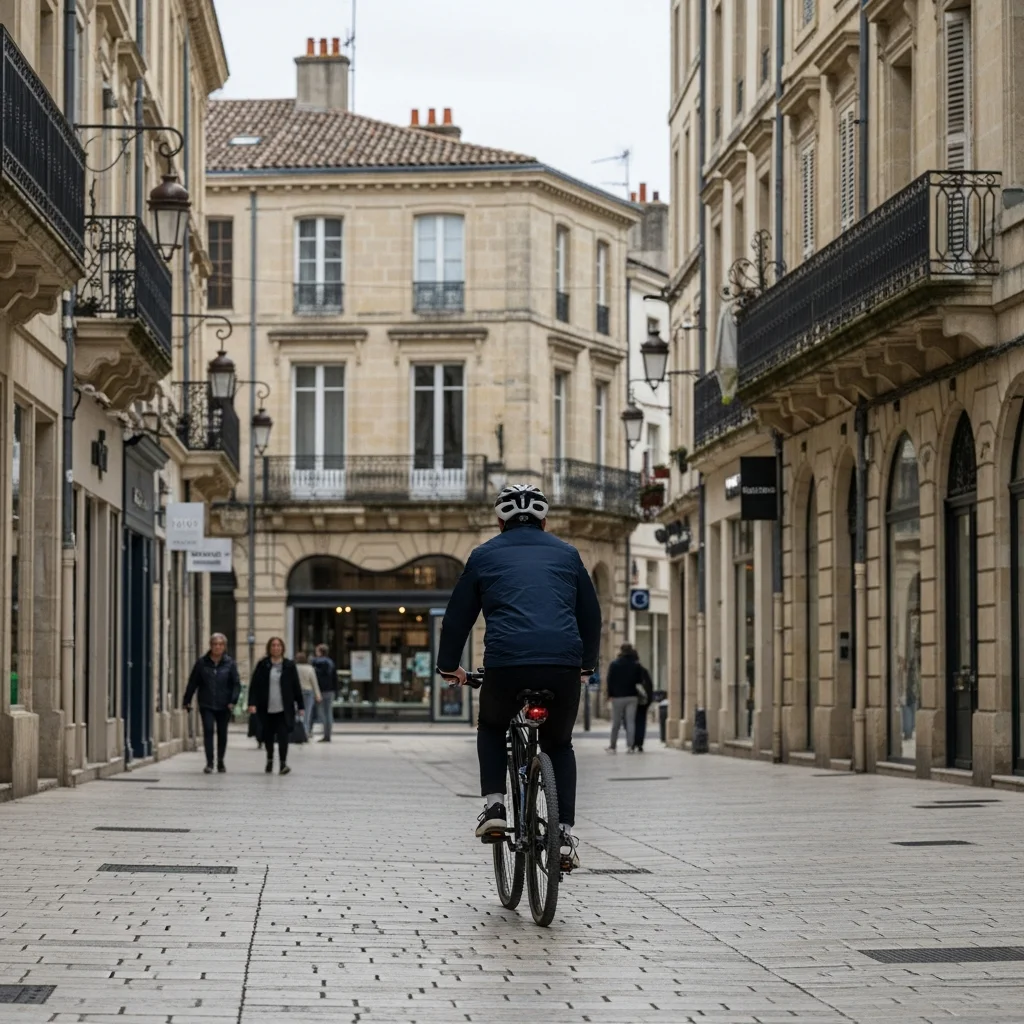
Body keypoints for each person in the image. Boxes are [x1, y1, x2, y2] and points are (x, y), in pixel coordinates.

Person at [436, 483, 601, 872]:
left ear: (500, 521)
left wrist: (450, 667)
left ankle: (495, 806)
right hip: (562, 664)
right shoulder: (568, 554)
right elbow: (591, 616)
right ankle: (562, 834)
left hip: (506, 664)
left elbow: (458, 617)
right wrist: (586, 665)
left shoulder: (483, 555)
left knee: (492, 726)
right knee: (559, 744)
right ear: (545, 521)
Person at [182, 633, 241, 774]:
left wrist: (233, 701)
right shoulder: (202, 663)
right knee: (208, 731)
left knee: (222, 733)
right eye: (215, 644)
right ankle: (209, 762)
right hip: (206, 703)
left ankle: (220, 761)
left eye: (220, 644)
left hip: (224, 704)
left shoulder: (230, 663)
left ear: (224, 647)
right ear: (211, 645)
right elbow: (193, 682)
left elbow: (236, 684)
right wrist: (187, 700)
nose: (217, 647)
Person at [247, 637, 304, 775]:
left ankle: (283, 763)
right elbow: (254, 685)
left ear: (282, 648)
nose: (276, 648)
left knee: (283, 736)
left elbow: (296, 686)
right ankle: (270, 759)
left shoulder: (289, 666)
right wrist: (252, 703)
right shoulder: (263, 665)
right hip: (266, 707)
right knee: (268, 735)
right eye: (273, 645)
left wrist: (301, 705)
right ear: (269, 648)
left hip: (284, 708)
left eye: (278, 645)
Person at [606, 642, 642, 753]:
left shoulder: (614, 664)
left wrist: (610, 694)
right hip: (632, 696)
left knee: (616, 723)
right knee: (630, 722)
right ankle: (630, 746)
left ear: (621, 650)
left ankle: (613, 746)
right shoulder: (636, 664)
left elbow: (609, 680)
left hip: (617, 697)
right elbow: (639, 681)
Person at [310, 644, 337, 742]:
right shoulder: (331, 662)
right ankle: (327, 734)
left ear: (320, 652)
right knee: (328, 713)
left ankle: (309, 732)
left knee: (317, 713)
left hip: (319, 690)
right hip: (330, 690)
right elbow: (334, 677)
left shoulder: (315, 663)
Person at [294, 651, 322, 739]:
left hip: (296, 693)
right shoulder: (310, 668)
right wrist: (318, 695)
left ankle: (296, 732)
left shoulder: (294, 668)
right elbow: (314, 682)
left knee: (296, 713)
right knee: (307, 714)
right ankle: (305, 733)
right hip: (308, 692)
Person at [631, 650, 654, 752]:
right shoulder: (643, 670)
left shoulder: (628, 670)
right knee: (641, 722)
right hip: (643, 701)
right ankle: (639, 743)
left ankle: (632, 742)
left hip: (631, 699)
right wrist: (648, 701)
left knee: (630, 722)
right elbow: (649, 686)